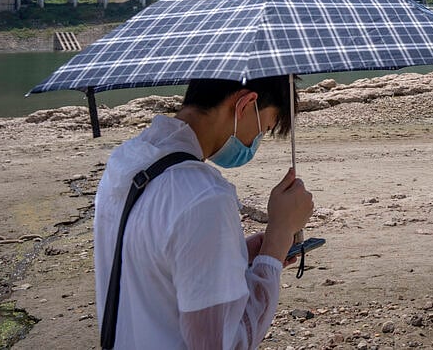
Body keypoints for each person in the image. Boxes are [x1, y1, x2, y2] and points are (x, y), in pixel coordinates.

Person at [94, 76, 314, 349]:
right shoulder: (204, 197)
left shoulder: (126, 159)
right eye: (265, 128)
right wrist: (277, 238)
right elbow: (224, 341)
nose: (255, 142)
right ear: (245, 104)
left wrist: (235, 254)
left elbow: (150, 266)